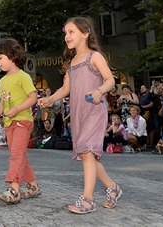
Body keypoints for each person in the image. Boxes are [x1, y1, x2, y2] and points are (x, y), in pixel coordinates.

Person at [38, 16, 120, 214]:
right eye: (65, 32)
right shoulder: (71, 62)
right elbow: (66, 88)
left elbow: (110, 81)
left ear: (85, 33)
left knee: (87, 151)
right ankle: (113, 188)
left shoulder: (95, 57)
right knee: (87, 155)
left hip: (94, 110)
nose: (67, 36)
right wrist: (50, 100)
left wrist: (100, 91)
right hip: (77, 113)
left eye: (71, 31)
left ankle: (88, 199)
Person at [0, 38, 40, 205]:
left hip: (23, 121)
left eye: (0, 58)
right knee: (19, 155)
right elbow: (3, 102)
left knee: (16, 155)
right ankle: (33, 186)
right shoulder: (3, 80)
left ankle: (14, 189)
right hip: (9, 123)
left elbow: (33, 97)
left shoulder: (23, 77)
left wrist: (18, 109)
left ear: (12, 56)